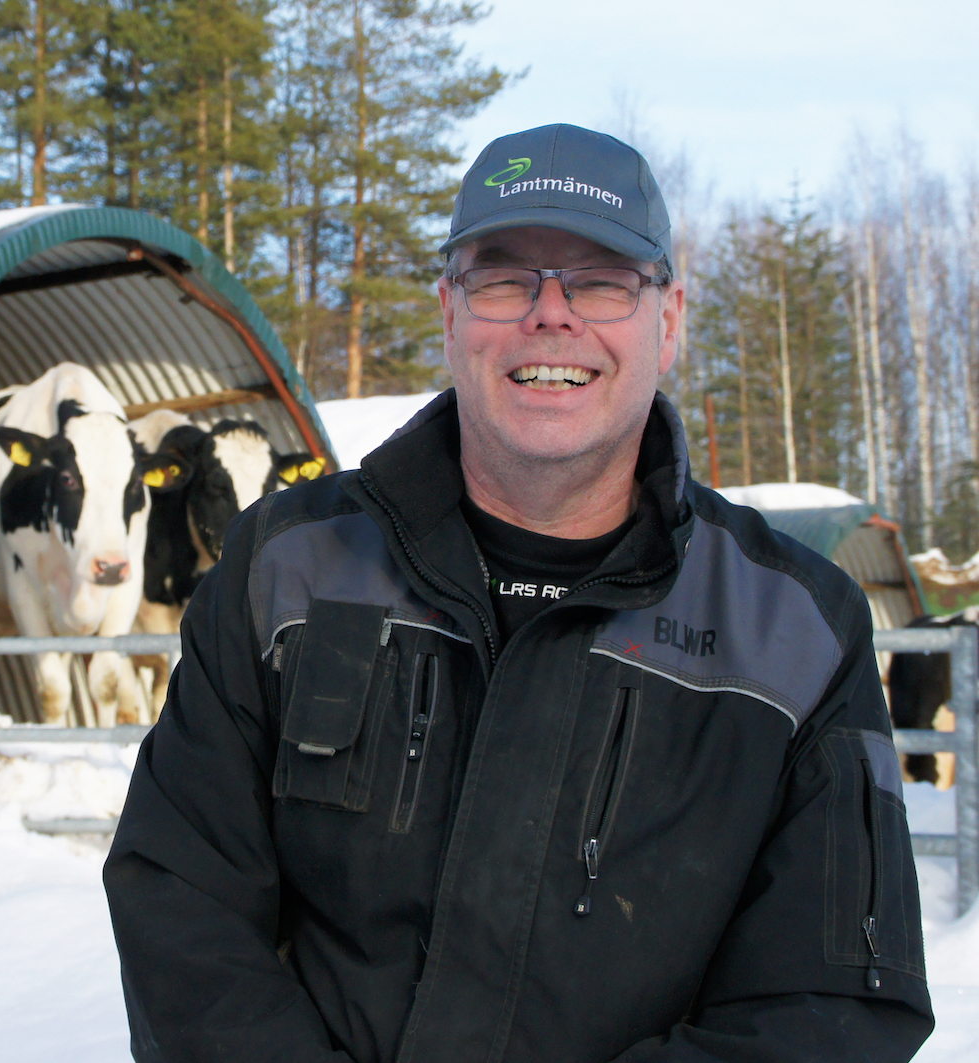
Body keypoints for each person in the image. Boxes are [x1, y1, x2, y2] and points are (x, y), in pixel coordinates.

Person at [104, 124, 933, 1062]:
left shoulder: (796, 631)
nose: (551, 314)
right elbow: (180, 900)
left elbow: (831, 1005)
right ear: (450, 313)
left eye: (602, 278)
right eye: (504, 276)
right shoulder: (286, 565)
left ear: (668, 322)